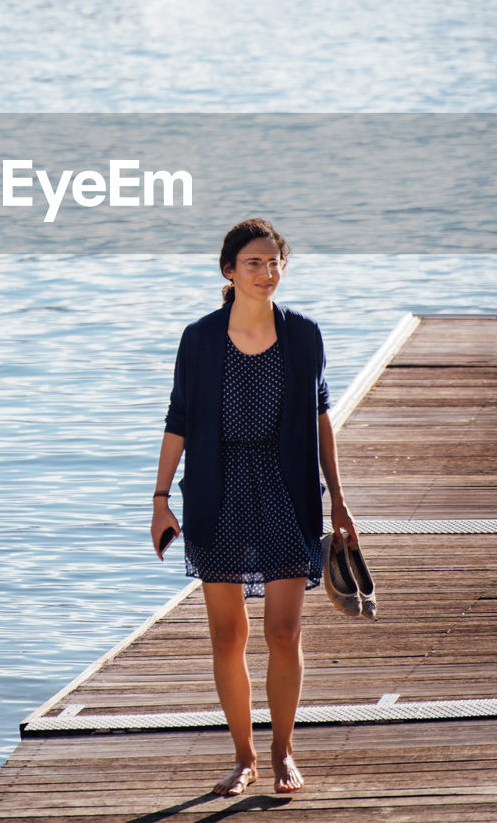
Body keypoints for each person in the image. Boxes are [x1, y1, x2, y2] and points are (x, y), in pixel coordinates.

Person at [150, 218, 357, 797]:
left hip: (287, 490)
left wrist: (338, 500)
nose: (267, 273)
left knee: (285, 630)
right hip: (217, 489)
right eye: (254, 264)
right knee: (226, 635)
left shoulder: (305, 335)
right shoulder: (199, 338)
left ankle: (283, 747)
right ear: (229, 271)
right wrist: (161, 500)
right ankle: (244, 758)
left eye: (274, 263)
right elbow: (179, 421)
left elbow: (321, 420)